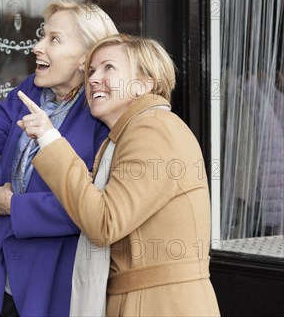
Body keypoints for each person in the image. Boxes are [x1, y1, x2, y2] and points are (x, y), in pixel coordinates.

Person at [17, 33, 221, 316]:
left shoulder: (152, 130)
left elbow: (103, 222)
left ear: (143, 84)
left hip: (157, 305)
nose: (93, 79)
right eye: (91, 71)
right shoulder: (132, 132)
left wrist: (51, 140)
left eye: (108, 68)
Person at [0, 0, 118, 316]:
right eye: (42, 36)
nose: (37, 47)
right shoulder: (30, 93)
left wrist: (16, 207)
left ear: (85, 58)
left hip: (53, 280)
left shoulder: (101, 116)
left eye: (54, 39)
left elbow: (97, 210)